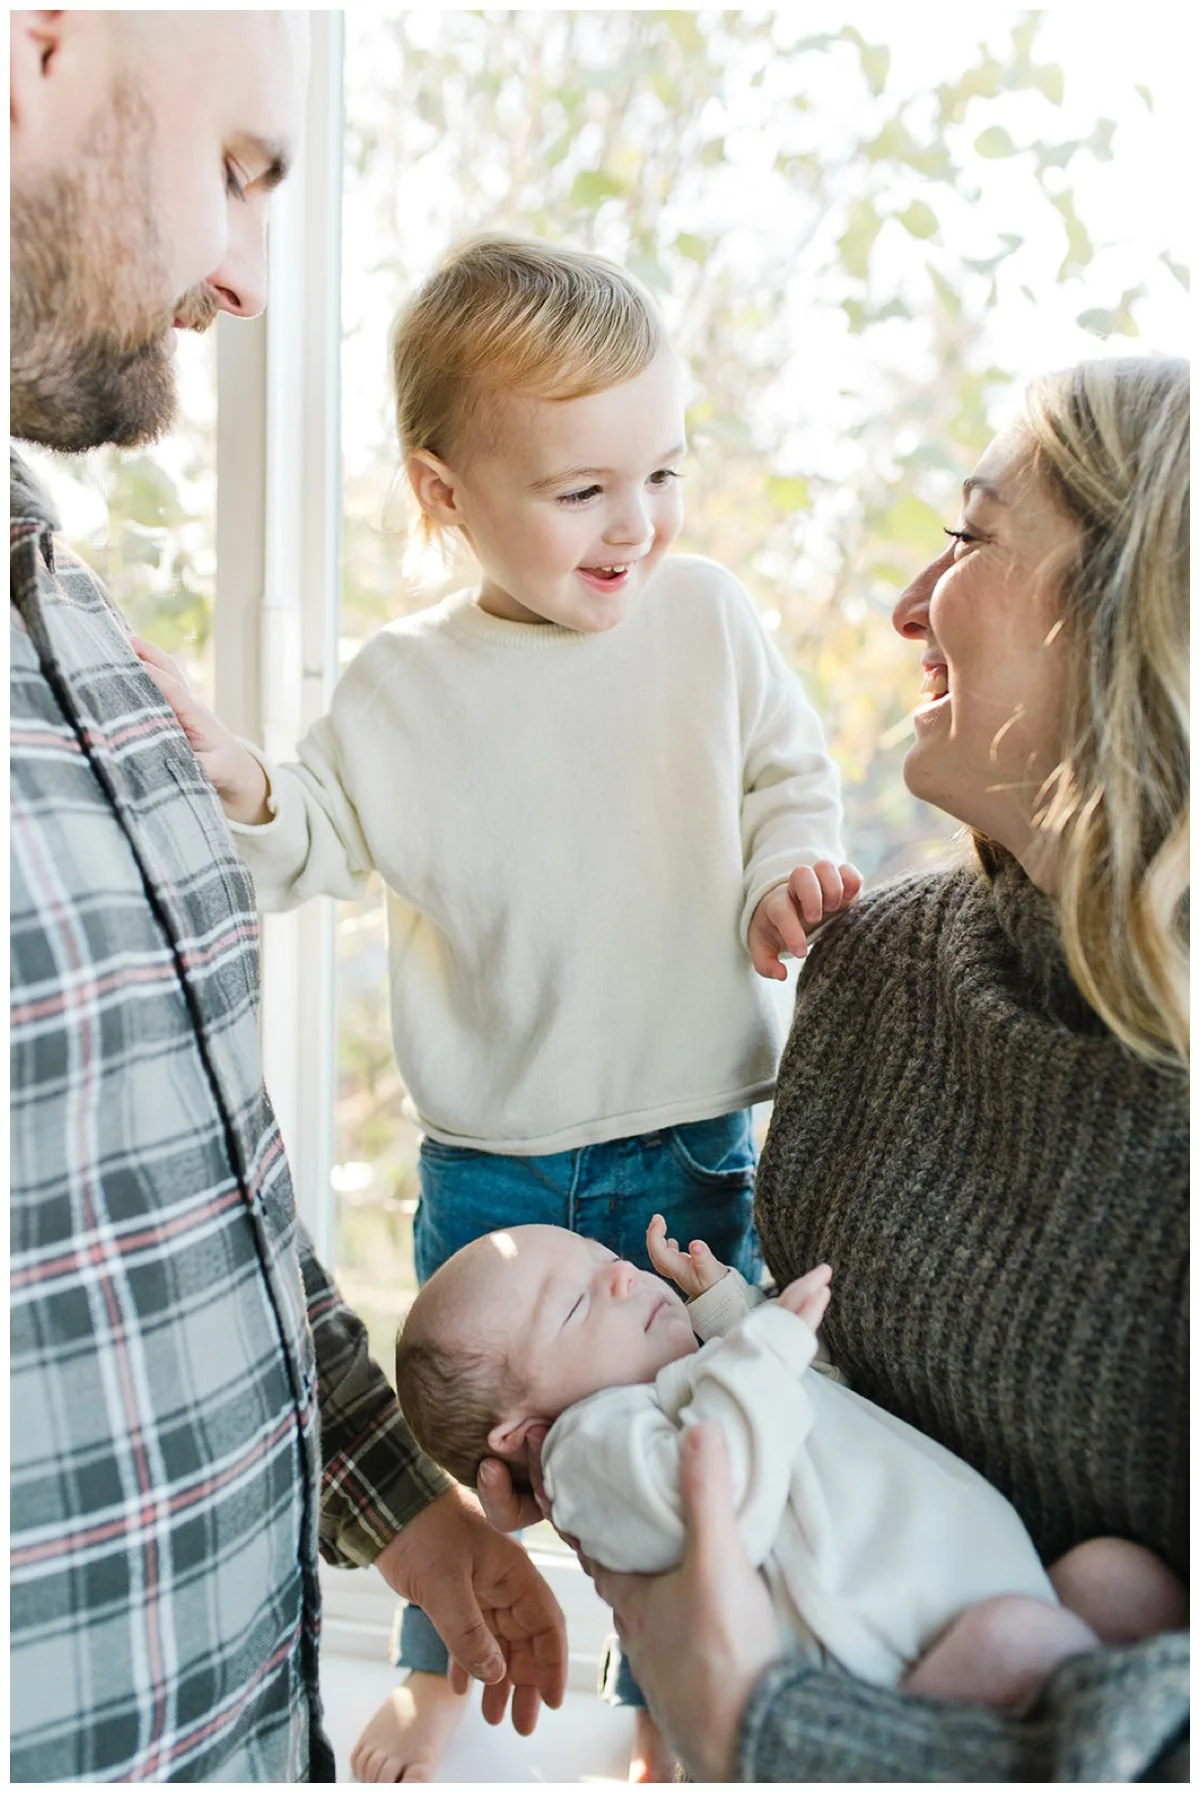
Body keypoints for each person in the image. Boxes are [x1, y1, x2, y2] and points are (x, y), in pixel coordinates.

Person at [134, 232, 859, 1781]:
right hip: (496, 1177)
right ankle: (447, 1679)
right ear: (445, 494)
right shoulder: (405, 687)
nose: (637, 522)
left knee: (700, 1445)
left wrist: (781, 876)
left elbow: (788, 782)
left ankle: (681, 1707)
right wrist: (241, 776)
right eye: (584, 489)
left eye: (661, 472)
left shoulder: (707, 620)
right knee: (476, 1461)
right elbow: (313, 837)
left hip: (686, 1150)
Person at [478, 355, 1190, 1780]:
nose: (907, 604)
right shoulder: (873, 972)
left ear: (1130, 611)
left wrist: (765, 1719)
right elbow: (803, 1438)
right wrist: (598, 1427)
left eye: (971, 537)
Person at [10, 13, 565, 1781]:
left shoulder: (81, 635)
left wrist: (407, 1513)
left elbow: (183, 1189)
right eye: (238, 169)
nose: (248, 277)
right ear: (36, 49)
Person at [393, 1218, 1185, 1712]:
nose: (621, 1273)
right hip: (905, 1649)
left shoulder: (687, 1379)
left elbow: (805, 1396)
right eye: (574, 1303)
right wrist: (766, 1343)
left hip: (981, 1579)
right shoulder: (586, 1448)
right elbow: (712, 1496)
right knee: (1022, 1641)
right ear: (523, 1434)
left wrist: (731, 1314)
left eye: (601, 1257)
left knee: (1123, 1580)